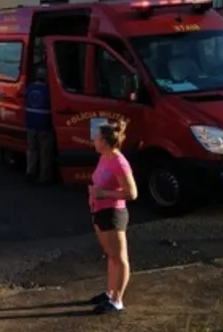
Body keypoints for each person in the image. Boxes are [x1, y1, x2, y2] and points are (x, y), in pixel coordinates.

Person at [86, 120, 138, 314]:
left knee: (120, 257)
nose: (94, 141)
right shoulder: (104, 157)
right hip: (100, 212)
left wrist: (102, 194)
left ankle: (117, 300)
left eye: (97, 138)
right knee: (111, 256)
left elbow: (132, 193)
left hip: (114, 213)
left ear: (105, 142)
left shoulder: (119, 162)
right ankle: (109, 292)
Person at [25, 65, 55, 184]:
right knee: (45, 153)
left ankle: (30, 172)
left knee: (32, 150)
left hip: (31, 125)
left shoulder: (29, 88)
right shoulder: (48, 91)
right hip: (45, 126)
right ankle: (44, 177)